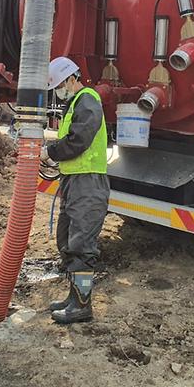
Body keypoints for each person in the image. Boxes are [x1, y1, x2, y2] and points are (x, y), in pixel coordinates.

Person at [41, 56, 110, 324]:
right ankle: (74, 298)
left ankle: (82, 306)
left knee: (81, 244)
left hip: (88, 182)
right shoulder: (74, 104)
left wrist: (50, 152)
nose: (58, 90)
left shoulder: (87, 99)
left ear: (72, 78)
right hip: (74, 180)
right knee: (67, 241)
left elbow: (79, 139)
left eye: (59, 84)